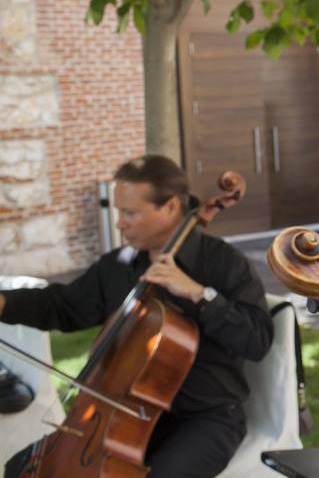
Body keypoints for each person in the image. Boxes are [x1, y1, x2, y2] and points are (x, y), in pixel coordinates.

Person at [0, 155, 274, 478]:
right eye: (119, 212)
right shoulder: (119, 266)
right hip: (127, 414)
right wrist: (4, 303)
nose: (119, 223)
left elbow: (257, 339)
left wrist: (200, 294)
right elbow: (62, 305)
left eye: (129, 212)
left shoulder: (222, 263)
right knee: (22, 467)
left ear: (171, 207)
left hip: (205, 417)